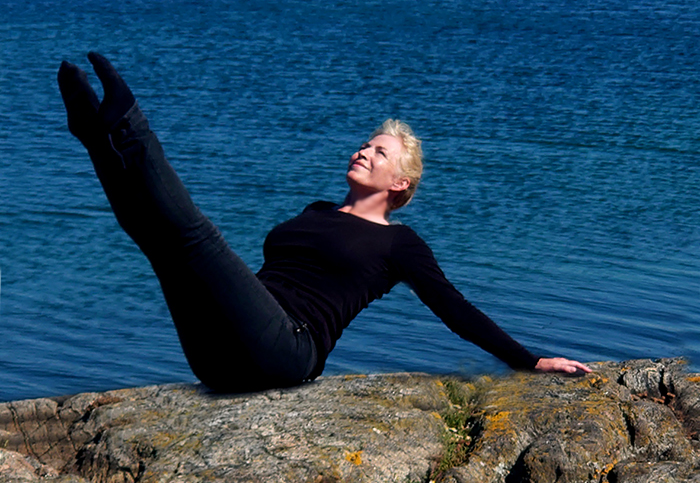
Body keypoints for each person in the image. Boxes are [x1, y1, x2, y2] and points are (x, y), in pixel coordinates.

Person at [57, 53, 590, 393]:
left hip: (290, 349)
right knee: (158, 243)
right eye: (364, 143)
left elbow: (454, 309)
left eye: (379, 152)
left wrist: (529, 360)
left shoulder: (398, 243)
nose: (364, 151)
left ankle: (128, 123)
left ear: (400, 184)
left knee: (195, 238)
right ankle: (96, 136)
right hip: (221, 360)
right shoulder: (314, 213)